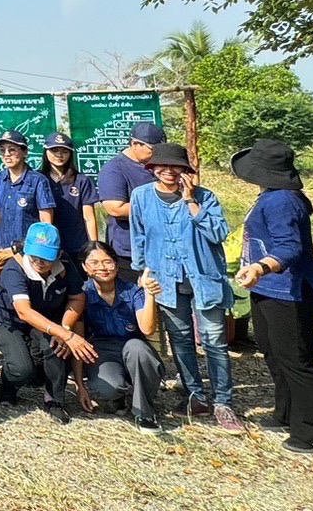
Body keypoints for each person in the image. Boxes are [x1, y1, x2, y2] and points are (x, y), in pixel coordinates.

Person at [230, 139, 313, 453]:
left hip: (290, 291)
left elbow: (290, 247)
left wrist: (261, 267)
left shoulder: (282, 201)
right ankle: (287, 413)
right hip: (267, 288)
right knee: (274, 353)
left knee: (295, 360)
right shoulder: (272, 195)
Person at [129, 141, 242, 432]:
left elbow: (218, 233)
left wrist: (192, 202)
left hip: (204, 279)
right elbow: (139, 237)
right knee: (180, 340)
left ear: (186, 170)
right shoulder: (141, 197)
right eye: (162, 166)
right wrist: (143, 272)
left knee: (214, 341)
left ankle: (223, 403)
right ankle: (196, 395)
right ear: (152, 169)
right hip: (165, 280)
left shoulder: (205, 197)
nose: (169, 171)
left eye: (176, 166)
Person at [0, 223, 96, 423]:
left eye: (46, 256)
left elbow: (77, 298)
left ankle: (54, 400)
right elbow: (24, 311)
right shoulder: (15, 268)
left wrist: (64, 329)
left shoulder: (65, 264)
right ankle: (8, 383)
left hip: (45, 315)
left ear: (58, 253)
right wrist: (66, 335)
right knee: (22, 368)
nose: (39, 261)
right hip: (7, 319)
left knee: (56, 348)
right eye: (35, 255)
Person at [76, 242, 165, 432]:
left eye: (108, 262)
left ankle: (144, 413)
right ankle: (117, 399)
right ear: (84, 267)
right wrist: (79, 385)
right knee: (107, 388)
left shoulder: (133, 291)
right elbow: (78, 341)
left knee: (137, 348)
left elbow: (147, 329)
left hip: (132, 346)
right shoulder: (82, 294)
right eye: (94, 263)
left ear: (116, 265)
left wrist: (150, 296)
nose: (102, 268)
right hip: (101, 349)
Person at [94, 122, 165, 282]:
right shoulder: (114, 169)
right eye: (153, 149)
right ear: (135, 144)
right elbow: (115, 208)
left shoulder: (156, 166)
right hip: (129, 252)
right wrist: (161, 208)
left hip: (160, 246)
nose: (157, 154)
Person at [0, 131, 57, 275]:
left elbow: (46, 221)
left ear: (25, 152)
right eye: (2, 150)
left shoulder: (38, 180)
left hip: (30, 252)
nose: (6, 154)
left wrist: (41, 251)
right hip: (2, 251)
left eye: (12, 150)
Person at [39, 133, 97, 263]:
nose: (59, 155)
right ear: (46, 152)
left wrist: (93, 245)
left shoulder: (82, 180)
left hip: (76, 245)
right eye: (54, 150)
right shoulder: (38, 179)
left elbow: (89, 217)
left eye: (64, 151)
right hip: (47, 245)